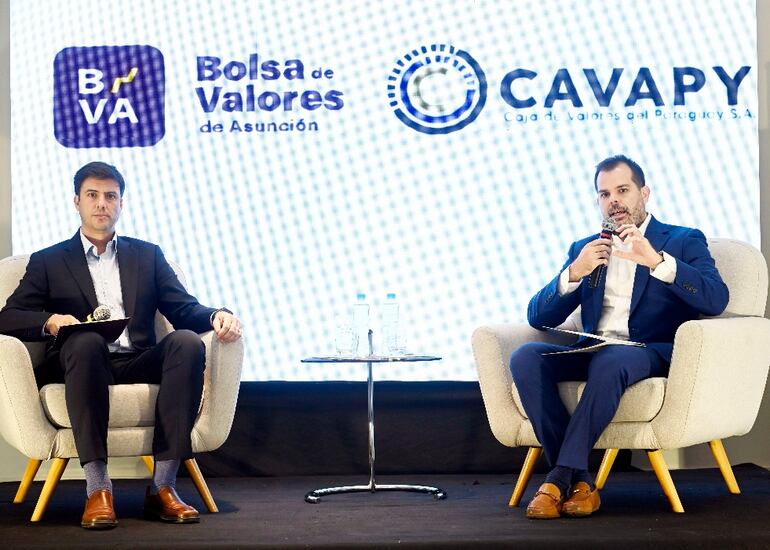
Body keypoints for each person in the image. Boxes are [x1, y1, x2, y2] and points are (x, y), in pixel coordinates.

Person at [0, 161, 243, 529]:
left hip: (136, 358)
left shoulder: (147, 256)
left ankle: (163, 488)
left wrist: (216, 316)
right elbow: (8, 316)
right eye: (93, 196)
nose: (102, 204)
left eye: (110, 196)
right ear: (76, 202)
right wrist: (49, 321)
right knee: (85, 343)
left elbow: (183, 307)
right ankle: (98, 489)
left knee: (188, 344)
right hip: (81, 362)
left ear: (121, 204)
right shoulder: (49, 261)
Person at [510, 155, 728, 519]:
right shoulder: (588, 245)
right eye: (604, 193)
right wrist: (574, 272)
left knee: (613, 359)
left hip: (649, 351)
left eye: (622, 190)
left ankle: (557, 478)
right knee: (526, 357)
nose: (613, 200)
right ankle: (578, 481)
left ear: (644, 193)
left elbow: (716, 299)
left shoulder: (682, 239)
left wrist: (657, 261)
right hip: (595, 347)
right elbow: (538, 315)